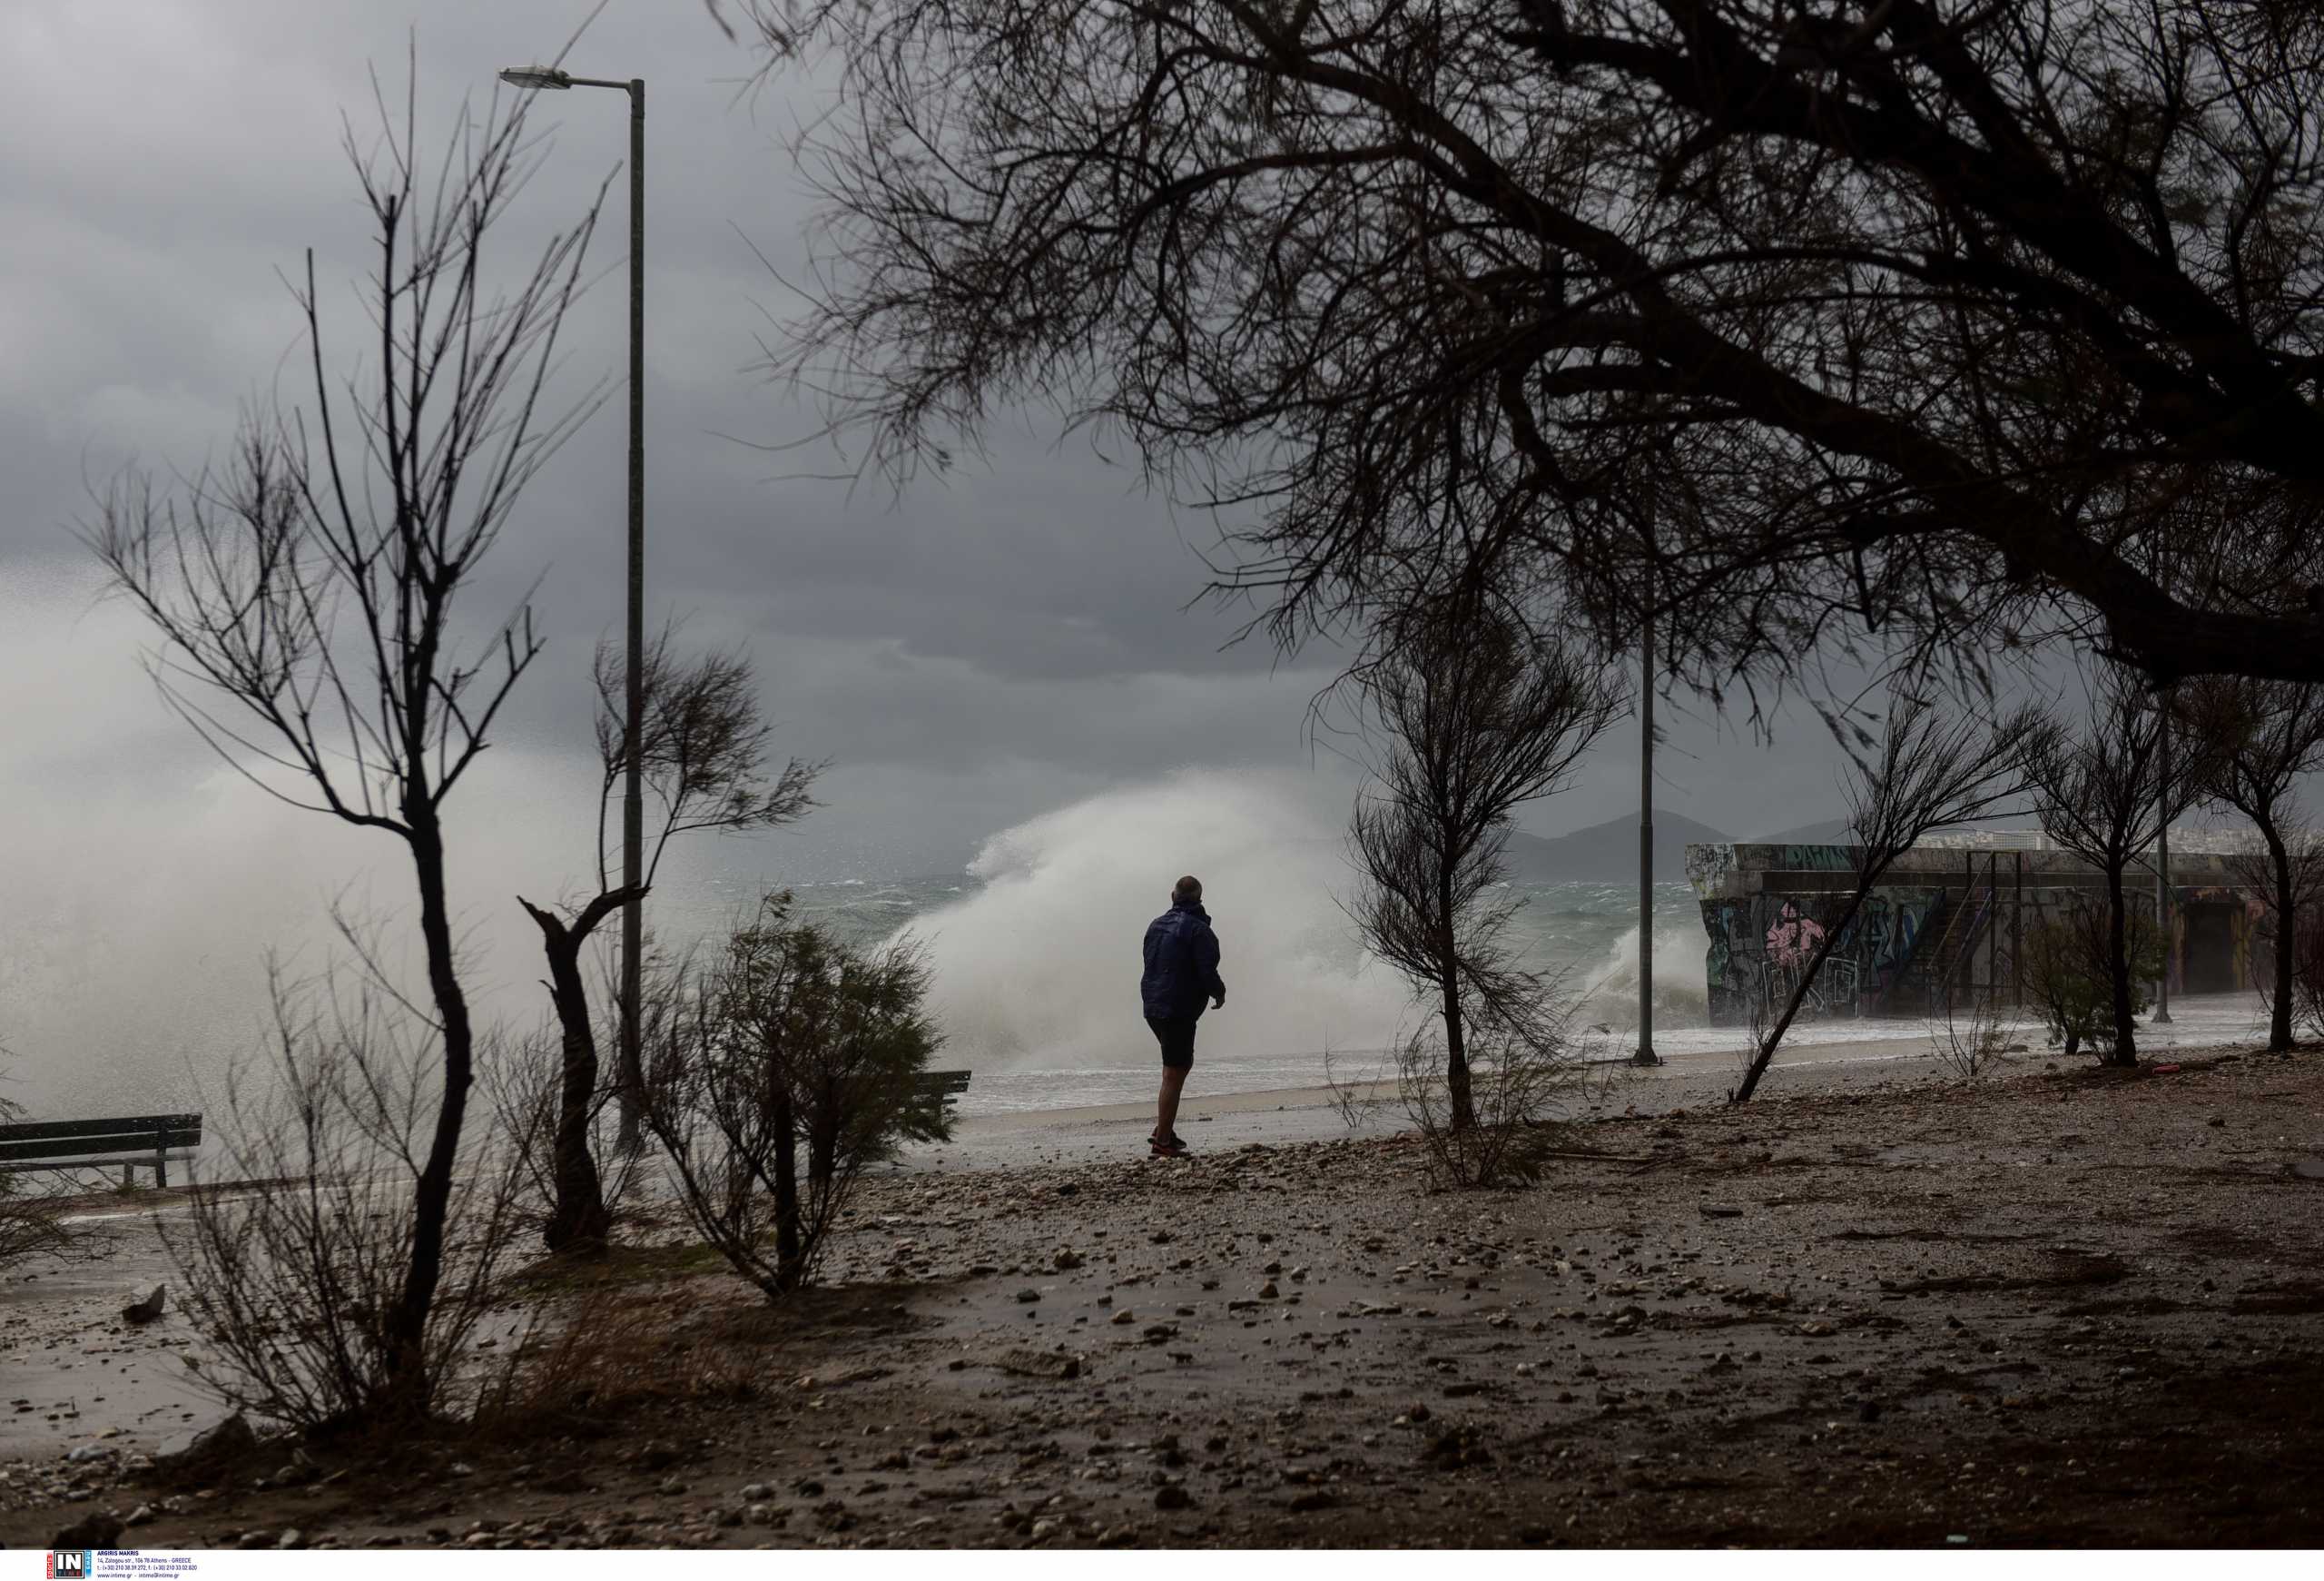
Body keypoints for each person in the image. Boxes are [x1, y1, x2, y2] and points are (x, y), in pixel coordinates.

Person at [1139, 874, 1226, 1158]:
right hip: (1177, 1009)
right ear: (1199, 900)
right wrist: (1219, 992)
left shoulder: (1155, 925)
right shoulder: (1200, 931)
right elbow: (1206, 971)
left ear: (1172, 896)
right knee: (1173, 1073)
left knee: (1179, 1066)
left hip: (1153, 1006)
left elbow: (1150, 964)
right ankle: (1163, 1140)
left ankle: (1164, 1128)